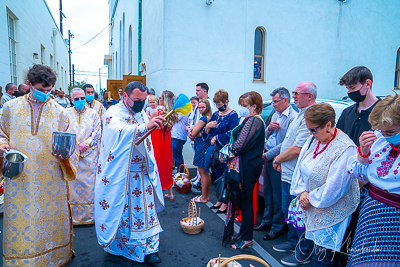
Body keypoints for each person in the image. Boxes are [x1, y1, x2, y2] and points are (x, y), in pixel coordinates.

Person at [0, 64, 74, 266]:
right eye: (41, 90)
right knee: (22, 220)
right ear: (29, 85)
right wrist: (3, 146)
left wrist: (65, 153)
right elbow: (1, 133)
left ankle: (53, 257)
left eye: (49, 90)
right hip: (20, 175)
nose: (46, 94)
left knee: (49, 219)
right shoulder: (10, 108)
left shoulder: (60, 112)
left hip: (50, 176)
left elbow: (67, 143)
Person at [95, 81, 165, 264]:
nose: (141, 104)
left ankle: (151, 248)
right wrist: (146, 127)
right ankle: (125, 246)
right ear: (125, 96)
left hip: (142, 172)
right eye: (137, 100)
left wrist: (152, 123)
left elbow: (145, 136)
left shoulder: (140, 112)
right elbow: (118, 130)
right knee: (125, 212)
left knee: (146, 211)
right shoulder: (112, 113)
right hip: (123, 175)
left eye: (143, 100)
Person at [290, 103, 359, 266]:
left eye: (313, 129)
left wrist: (309, 198)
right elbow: (301, 167)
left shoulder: (345, 149)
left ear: (328, 125)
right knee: (316, 253)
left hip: (332, 211)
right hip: (313, 205)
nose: (310, 134)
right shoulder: (315, 139)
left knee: (322, 258)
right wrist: (302, 193)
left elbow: (334, 188)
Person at [346, 94, 400, 267]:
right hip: (372, 210)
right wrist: (363, 152)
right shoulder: (379, 139)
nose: (385, 135)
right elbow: (359, 173)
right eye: (382, 131)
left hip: (395, 217)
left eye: (390, 132)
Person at [335, 66, 381, 265]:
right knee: (341, 234)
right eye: (347, 89)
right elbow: (336, 145)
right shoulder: (346, 113)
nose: (349, 92)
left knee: (361, 238)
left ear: (367, 84)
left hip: (370, 189)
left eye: (353, 87)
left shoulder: (383, 115)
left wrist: (364, 177)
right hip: (344, 183)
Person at [272, 81, 316, 266]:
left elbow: (298, 148)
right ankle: (292, 243)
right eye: (294, 93)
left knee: (300, 216)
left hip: (298, 176)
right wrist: (282, 160)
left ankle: (303, 252)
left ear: (310, 96)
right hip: (288, 172)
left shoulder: (311, 116)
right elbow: (289, 143)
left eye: (298, 93)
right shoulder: (301, 114)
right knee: (289, 212)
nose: (294, 96)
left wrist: (277, 159)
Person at [221, 91, 265, 250]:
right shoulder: (252, 120)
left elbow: (239, 144)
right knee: (242, 201)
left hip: (248, 167)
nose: (241, 108)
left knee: (245, 203)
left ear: (254, 106)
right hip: (247, 166)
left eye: (244, 106)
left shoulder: (253, 120)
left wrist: (224, 154)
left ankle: (247, 238)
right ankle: (244, 234)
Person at [255, 88, 298, 238]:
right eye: (272, 101)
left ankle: (277, 227)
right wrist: (269, 129)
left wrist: (268, 155)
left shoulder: (293, 118)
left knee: (278, 195)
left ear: (285, 101)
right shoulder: (274, 115)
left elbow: (286, 144)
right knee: (267, 192)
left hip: (279, 159)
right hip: (268, 156)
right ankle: (266, 220)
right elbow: (266, 135)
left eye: (275, 101)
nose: (273, 105)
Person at [66, 88, 101, 225]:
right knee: (72, 185)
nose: (80, 101)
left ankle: (90, 217)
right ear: (71, 100)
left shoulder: (93, 114)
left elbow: (97, 131)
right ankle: (73, 217)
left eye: (82, 98)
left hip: (90, 156)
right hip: (72, 156)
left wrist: (86, 144)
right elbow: (63, 131)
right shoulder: (65, 114)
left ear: (85, 98)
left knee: (89, 185)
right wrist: (76, 146)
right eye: (77, 99)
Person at [200, 89, 239, 212]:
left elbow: (233, 132)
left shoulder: (233, 115)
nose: (218, 107)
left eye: (220, 104)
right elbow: (209, 131)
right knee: (216, 174)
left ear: (226, 102)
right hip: (215, 150)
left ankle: (226, 202)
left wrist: (217, 137)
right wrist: (207, 127)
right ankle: (219, 198)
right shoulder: (216, 114)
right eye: (216, 104)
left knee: (225, 175)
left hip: (225, 150)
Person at [151, 90, 178, 201]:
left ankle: (153, 194)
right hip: (167, 140)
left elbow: (149, 125)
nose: (159, 99)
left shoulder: (157, 112)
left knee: (155, 165)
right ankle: (170, 193)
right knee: (167, 166)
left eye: (160, 97)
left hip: (156, 139)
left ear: (164, 99)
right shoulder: (174, 113)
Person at [190, 99, 213, 202]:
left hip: (201, 147)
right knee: (206, 172)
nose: (201, 109)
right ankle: (206, 196)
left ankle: (204, 197)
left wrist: (196, 131)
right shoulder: (211, 118)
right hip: (206, 146)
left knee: (202, 172)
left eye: (203, 107)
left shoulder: (204, 118)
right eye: (199, 107)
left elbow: (193, 132)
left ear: (207, 107)